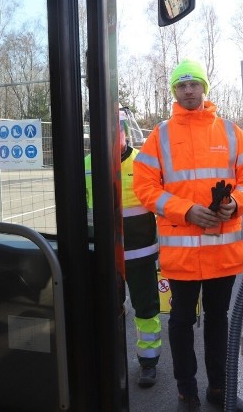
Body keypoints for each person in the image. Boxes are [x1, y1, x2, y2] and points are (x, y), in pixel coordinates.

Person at [133, 59, 243, 412]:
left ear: (204, 88)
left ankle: (219, 390)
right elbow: (144, 186)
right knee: (180, 322)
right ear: (174, 91)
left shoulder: (231, 132)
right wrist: (185, 210)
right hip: (182, 256)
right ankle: (186, 392)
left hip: (222, 253)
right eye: (181, 85)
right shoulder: (159, 135)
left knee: (219, 322)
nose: (188, 90)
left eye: (194, 84)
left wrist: (234, 204)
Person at [85, 109, 162, 387]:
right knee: (108, 309)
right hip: (106, 257)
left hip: (140, 255)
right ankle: (110, 361)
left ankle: (148, 362)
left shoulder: (144, 162)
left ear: (125, 132)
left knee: (146, 309)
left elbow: (161, 206)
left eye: (115, 129)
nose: (109, 136)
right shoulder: (88, 165)